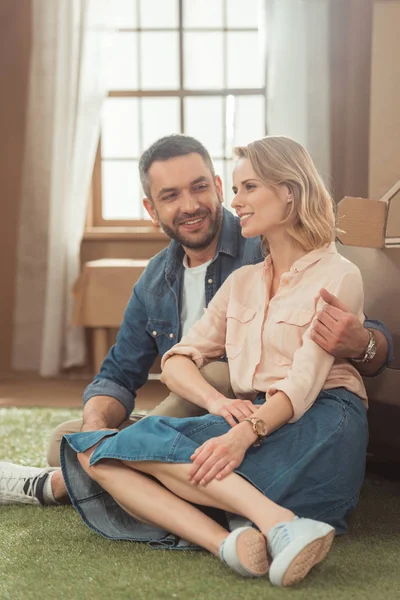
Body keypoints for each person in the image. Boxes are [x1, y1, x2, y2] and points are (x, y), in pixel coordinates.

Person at [0, 135, 392, 511]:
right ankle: (126, 453)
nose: (189, 205)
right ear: (152, 209)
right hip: (212, 405)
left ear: (217, 187)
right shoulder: (157, 280)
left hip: (263, 406)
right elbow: (119, 374)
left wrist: (364, 343)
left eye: (199, 187)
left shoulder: (267, 237)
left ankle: (115, 465)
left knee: (217, 372)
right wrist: (95, 431)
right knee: (65, 444)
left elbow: (358, 335)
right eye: (170, 196)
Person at [57, 136, 378, 587]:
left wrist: (242, 435)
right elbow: (175, 359)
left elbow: (304, 383)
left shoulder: (338, 273)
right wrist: (218, 407)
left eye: (248, 187)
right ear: (153, 208)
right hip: (254, 415)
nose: (236, 201)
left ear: (288, 190)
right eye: (237, 189)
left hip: (321, 418)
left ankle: (261, 518)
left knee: (139, 455)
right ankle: (235, 540)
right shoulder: (242, 281)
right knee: (94, 451)